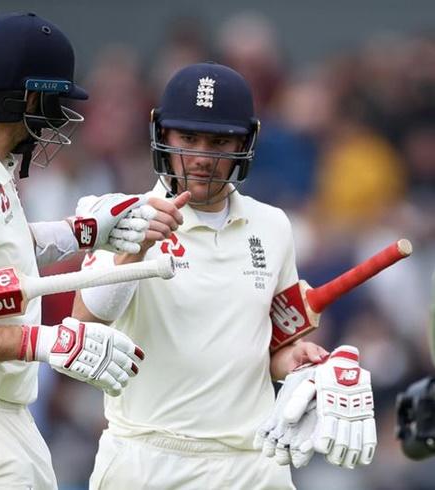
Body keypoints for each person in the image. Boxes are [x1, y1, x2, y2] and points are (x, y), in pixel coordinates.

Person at [0, 13, 184, 489]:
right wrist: (45, 341)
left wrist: (83, 232)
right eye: (53, 102)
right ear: (26, 97)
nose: (57, 119)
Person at [72, 62, 375, 489]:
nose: (201, 157)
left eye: (218, 141)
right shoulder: (119, 213)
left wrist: (300, 363)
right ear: (162, 134)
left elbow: (273, 347)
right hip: (149, 458)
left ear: (244, 141)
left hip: (253, 464)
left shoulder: (273, 226)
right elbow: (85, 320)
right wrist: (134, 249)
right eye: (188, 138)